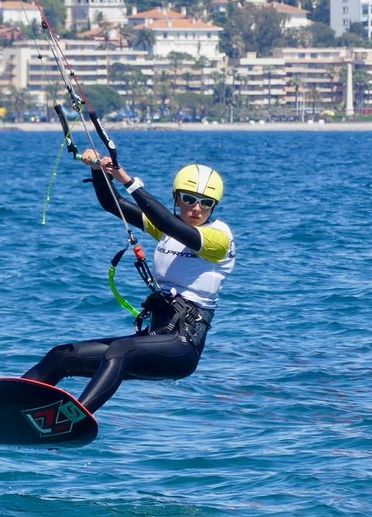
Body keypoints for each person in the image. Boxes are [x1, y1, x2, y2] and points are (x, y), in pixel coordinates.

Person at [22, 149, 236, 414]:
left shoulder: (219, 238)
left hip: (182, 347)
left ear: (214, 206)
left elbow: (167, 222)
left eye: (206, 203)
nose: (196, 208)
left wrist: (127, 180)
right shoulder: (166, 231)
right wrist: (98, 171)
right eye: (189, 199)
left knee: (120, 350)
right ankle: (4, 407)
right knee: (62, 356)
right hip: (155, 338)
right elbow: (114, 205)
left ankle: (72, 420)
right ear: (176, 198)